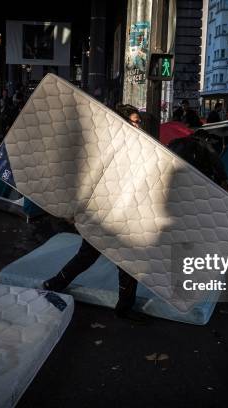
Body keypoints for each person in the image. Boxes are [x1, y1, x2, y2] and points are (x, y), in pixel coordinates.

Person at [43, 104, 144, 322]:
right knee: (106, 258)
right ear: (122, 123)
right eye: (134, 121)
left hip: (120, 213)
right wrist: (75, 210)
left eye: (138, 121)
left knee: (108, 259)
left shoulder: (135, 148)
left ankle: (55, 283)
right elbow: (89, 181)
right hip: (102, 213)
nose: (138, 125)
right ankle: (123, 309)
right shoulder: (108, 150)